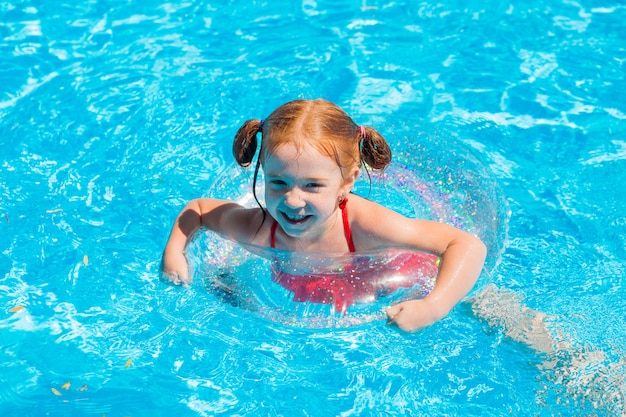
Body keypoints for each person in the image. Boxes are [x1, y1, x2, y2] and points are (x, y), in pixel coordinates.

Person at [161, 99, 487, 331]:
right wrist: (175, 252)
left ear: (347, 182)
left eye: (312, 185)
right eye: (278, 182)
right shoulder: (259, 228)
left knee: (486, 307)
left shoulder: (364, 224)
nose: (292, 200)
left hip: (392, 279)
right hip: (311, 290)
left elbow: (466, 245)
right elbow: (199, 210)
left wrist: (434, 305)